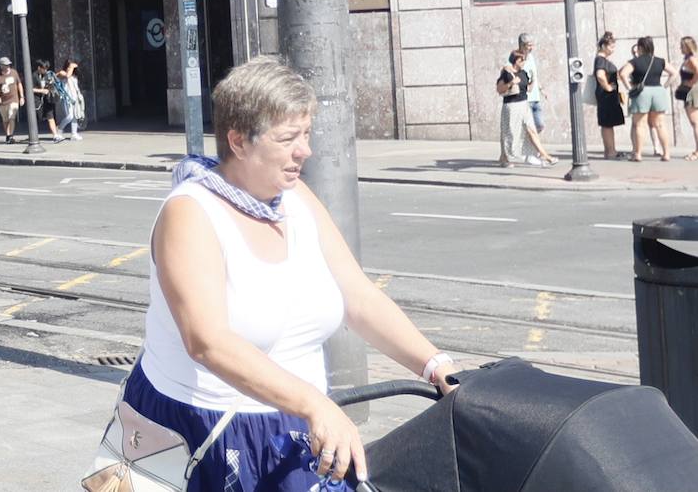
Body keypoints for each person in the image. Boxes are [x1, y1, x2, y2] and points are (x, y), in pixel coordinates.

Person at [115, 57, 457, 491]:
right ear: (238, 141)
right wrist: (316, 405)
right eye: (288, 138)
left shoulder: (294, 199)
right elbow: (207, 342)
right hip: (196, 433)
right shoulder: (191, 214)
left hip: (299, 424)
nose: (305, 151)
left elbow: (357, 296)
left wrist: (436, 366)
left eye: (307, 133)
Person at [498, 50, 557, 167]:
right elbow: (499, 89)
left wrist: (534, 82)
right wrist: (511, 83)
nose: (524, 62)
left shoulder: (524, 73)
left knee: (532, 130)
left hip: (524, 105)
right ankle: (505, 158)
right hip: (511, 106)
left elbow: (528, 89)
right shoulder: (506, 73)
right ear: (516, 61)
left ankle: (545, 155)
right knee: (510, 133)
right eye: (522, 60)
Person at [620, 36, 673, 162]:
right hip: (658, 91)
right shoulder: (660, 61)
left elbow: (622, 73)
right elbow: (674, 73)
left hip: (642, 92)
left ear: (640, 47)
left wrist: (630, 88)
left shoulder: (635, 62)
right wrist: (664, 86)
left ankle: (638, 154)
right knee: (660, 124)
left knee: (640, 124)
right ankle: (666, 154)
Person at [593, 33, 626, 160]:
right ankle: (611, 151)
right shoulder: (600, 60)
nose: (613, 49)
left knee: (608, 124)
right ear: (603, 46)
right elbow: (600, 75)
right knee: (607, 124)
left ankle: (610, 150)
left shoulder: (602, 60)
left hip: (606, 95)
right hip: (606, 95)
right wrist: (608, 87)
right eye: (611, 47)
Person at [514, 33, 545, 136]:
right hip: (525, 100)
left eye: (532, 45)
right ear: (522, 45)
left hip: (535, 98)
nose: (531, 48)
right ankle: (534, 148)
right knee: (529, 128)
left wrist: (541, 89)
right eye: (529, 45)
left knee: (539, 125)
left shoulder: (531, 57)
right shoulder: (517, 60)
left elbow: (534, 75)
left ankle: (530, 145)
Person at [0, 57, 23, 144]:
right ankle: (8, 135)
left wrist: (22, 96)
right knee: (5, 120)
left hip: (13, 99)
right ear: (1, 66)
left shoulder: (14, 72)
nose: (8, 66)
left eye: (8, 64)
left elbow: (19, 84)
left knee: (11, 117)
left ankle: (10, 136)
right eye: (5, 65)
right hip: (3, 101)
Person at [677, 37, 698, 162]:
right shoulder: (690, 58)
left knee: (695, 122)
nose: (680, 48)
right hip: (692, 90)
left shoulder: (691, 59)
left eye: (682, 46)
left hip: (692, 91)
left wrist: (691, 82)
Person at [32, 59, 62, 143]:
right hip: (38, 100)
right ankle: (34, 136)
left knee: (50, 117)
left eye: (46, 69)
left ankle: (55, 136)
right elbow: (30, 89)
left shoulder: (48, 75)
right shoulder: (34, 76)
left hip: (47, 99)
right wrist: (41, 91)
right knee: (38, 118)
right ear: (39, 68)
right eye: (44, 69)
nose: (45, 70)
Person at [56, 60, 85, 141]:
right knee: (69, 116)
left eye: (71, 67)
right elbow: (67, 75)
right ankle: (59, 131)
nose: (70, 69)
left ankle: (74, 134)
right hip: (66, 98)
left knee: (75, 116)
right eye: (69, 67)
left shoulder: (74, 76)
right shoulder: (62, 73)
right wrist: (72, 66)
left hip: (75, 98)